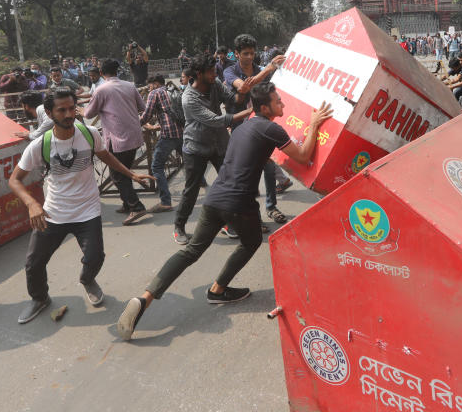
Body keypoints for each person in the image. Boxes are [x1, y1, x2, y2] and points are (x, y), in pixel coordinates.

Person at [116, 85, 332, 341]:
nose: (283, 105)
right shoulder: (270, 127)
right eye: (278, 102)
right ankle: (217, 290)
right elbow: (305, 155)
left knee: (191, 250)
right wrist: (315, 123)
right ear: (265, 108)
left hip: (215, 197)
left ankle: (145, 298)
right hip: (238, 202)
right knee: (251, 242)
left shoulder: (244, 127)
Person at [8, 89, 154, 324]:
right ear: (48, 113)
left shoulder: (89, 133)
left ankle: (87, 279)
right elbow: (14, 180)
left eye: (71, 109)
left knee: (95, 256)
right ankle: (40, 298)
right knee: (34, 263)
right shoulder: (39, 145)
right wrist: (32, 204)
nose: (68, 114)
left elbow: (105, 156)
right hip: (54, 212)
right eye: (61, 110)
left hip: (87, 210)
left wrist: (131, 174)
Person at [174, 54, 253, 244]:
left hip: (219, 144)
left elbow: (232, 100)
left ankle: (226, 222)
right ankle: (179, 226)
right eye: (210, 72)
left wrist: (242, 92)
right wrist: (249, 112)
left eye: (214, 71)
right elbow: (216, 120)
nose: (214, 74)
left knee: (229, 184)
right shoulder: (189, 98)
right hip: (196, 147)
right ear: (198, 74)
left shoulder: (215, 83)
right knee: (191, 190)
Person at [224, 34, 291, 226]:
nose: (250, 57)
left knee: (269, 167)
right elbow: (245, 88)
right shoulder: (230, 72)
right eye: (245, 53)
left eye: (252, 53)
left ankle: (271, 207)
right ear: (236, 54)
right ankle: (251, 214)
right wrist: (269, 68)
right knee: (248, 172)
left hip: (261, 125)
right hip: (241, 127)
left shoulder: (260, 69)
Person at [84, 59, 151, 224]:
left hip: (118, 138)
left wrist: (81, 109)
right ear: (117, 71)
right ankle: (127, 204)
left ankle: (136, 207)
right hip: (134, 135)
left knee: (118, 175)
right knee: (124, 170)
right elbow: (142, 107)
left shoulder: (102, 89)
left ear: (101, 73)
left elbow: (88, 114)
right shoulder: (129, 85)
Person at [139, 75, 184, 216]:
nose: (149, 88)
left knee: (157, 166)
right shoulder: (172, 90)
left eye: (150, 85)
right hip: (182, 131)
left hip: (169, 134)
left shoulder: (155, 93)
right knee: (189, 159)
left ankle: (165, 202)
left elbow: (147, 115)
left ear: (155, 84)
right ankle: (200, 181)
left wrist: (133, 124)